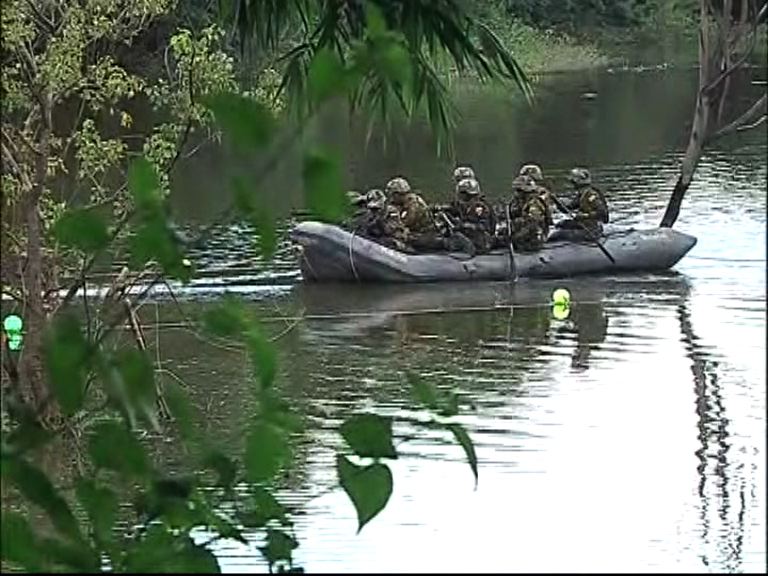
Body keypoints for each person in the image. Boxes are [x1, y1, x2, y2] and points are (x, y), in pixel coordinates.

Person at [446, 177, 496, 254]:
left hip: (481, 240)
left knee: (450, 241)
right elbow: (453, 210)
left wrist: (464, 225)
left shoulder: (480, 208)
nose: (461, 199)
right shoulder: (464, 206)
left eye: (464, 196)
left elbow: (484, 227)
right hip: (469, 236)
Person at [555, 168, 609, 237]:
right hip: (584, 224)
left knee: (559, 235)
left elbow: (602, 212)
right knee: (561, 224)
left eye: (573, 181)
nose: (573, 183)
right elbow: (569, 208)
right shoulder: (582, 194)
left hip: (592, 228)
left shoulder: (591, 194)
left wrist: (585, 215)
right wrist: (558, 202)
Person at [506, 174, 549, 252]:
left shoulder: (534, 203)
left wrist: (515, 236)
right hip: (523, 231)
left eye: (518, 190)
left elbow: (533, 224)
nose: (516, 193)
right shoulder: (519, 201)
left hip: (534, 236)